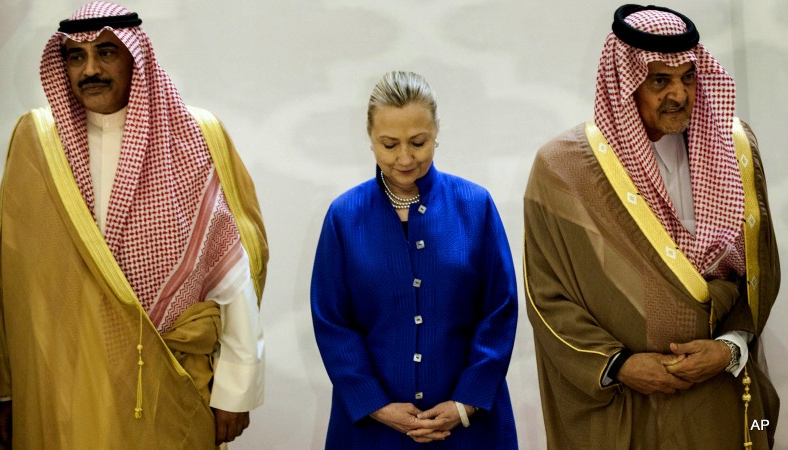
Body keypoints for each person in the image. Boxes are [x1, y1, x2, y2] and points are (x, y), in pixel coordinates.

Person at [0, 2, 268, 448]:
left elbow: (231, 277)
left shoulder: (192, 137)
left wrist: (235, 391)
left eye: (106, 52)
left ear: (136, 57)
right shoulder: (38, 143)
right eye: (76, 56)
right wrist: (2, 388)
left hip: (163, 376)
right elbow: (11, 278)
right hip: (66, 382)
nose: (89, 69)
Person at [524, 4, 780, 449]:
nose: (679, 94)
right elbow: (546, 298)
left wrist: (729, 349)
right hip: (625, 406)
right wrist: (620, 364)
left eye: (688, 77)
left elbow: (758, 274)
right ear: (625, 84)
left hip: (715, 394)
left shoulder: (735, 149)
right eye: (659, 80)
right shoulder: (562, 170)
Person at [310, 71, 518, 449]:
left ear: (436, 132)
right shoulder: (344, 216)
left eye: (418, 142)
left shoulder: (475, 206)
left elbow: (500, 310)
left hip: (470, 427)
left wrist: (466, 402)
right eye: (389, 145)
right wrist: (376, 405)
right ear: (370, 140)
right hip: (371, 430)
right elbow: (332, 322)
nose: (404, 158)